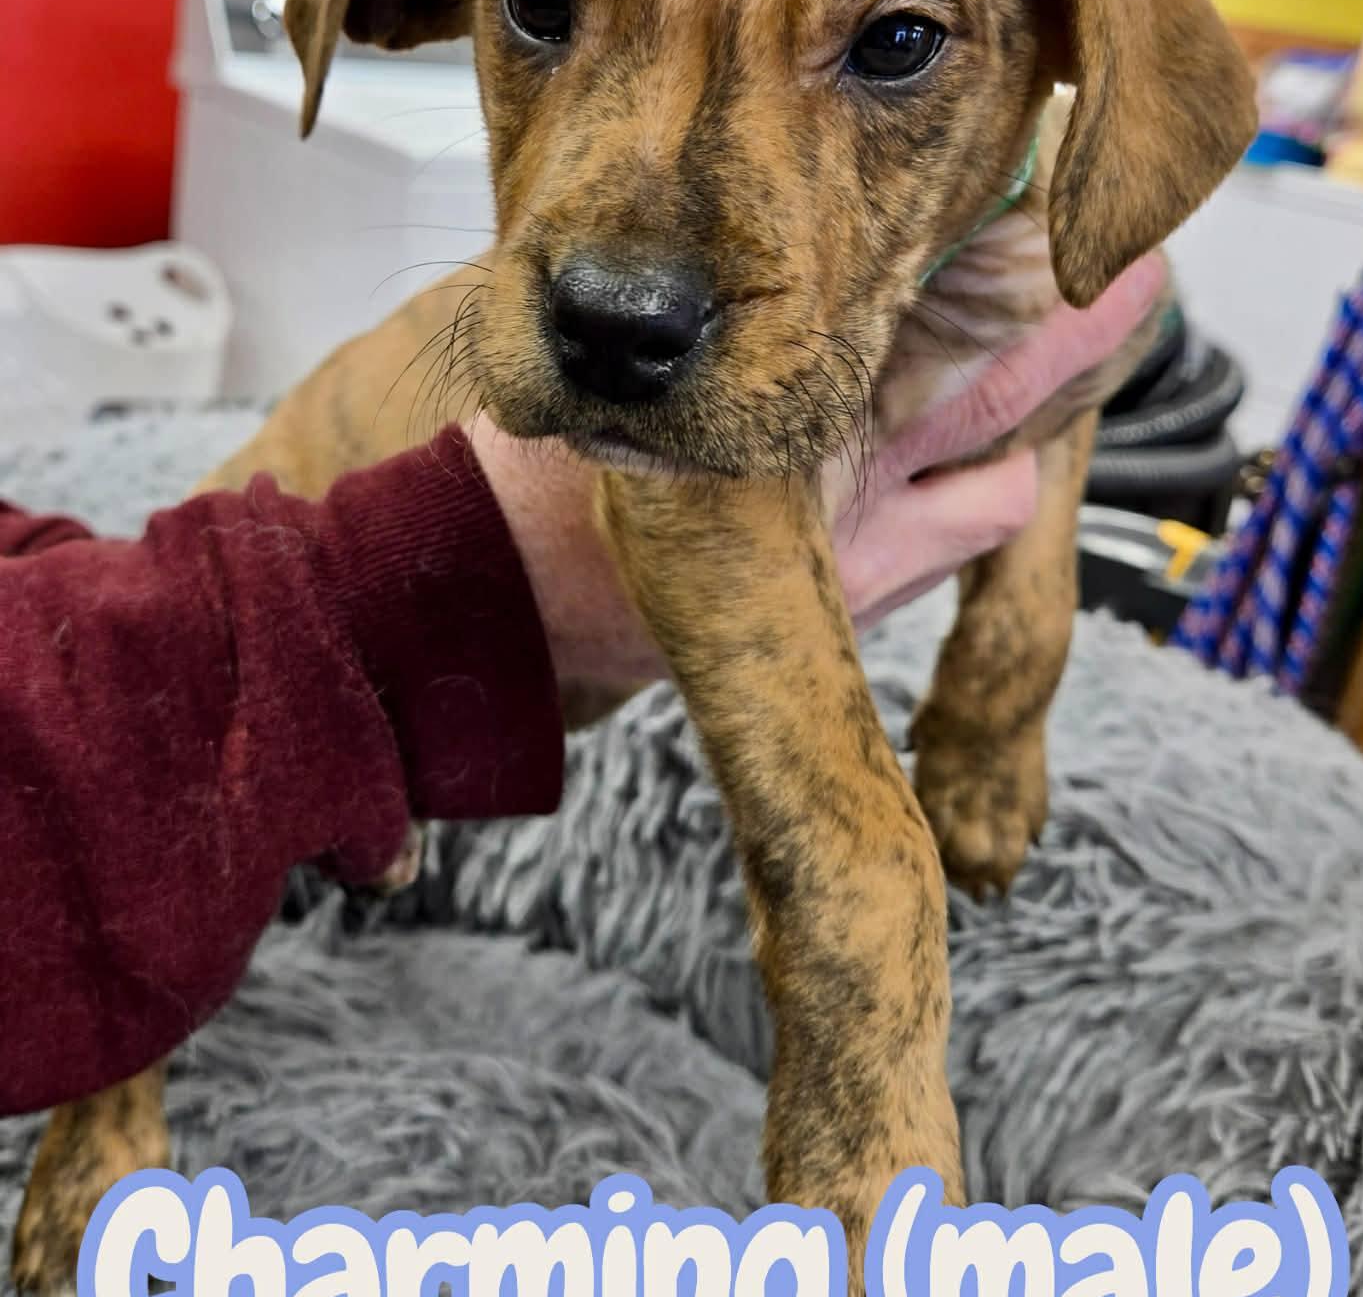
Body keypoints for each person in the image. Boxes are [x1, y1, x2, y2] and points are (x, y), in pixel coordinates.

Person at [0, 255, 1164, 1116]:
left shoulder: (1037, 218)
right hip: (300, 543)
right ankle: (108, 1107)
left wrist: (1005, 678)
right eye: (546, 9)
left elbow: (1060, 385)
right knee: (187, 742)